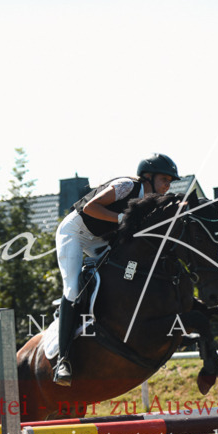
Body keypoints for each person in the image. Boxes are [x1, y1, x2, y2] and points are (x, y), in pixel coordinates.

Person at [52, 153, 180, 386]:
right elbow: (91, 207)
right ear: (148, 178)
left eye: (170, 182)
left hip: (99, 238)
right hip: (74, 233)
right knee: (72, 289)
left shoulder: (151, 205)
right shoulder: (126, 186)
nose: (166, 187)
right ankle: (63, 359)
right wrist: (123, 218)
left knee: (126, 273)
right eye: (164, 180)